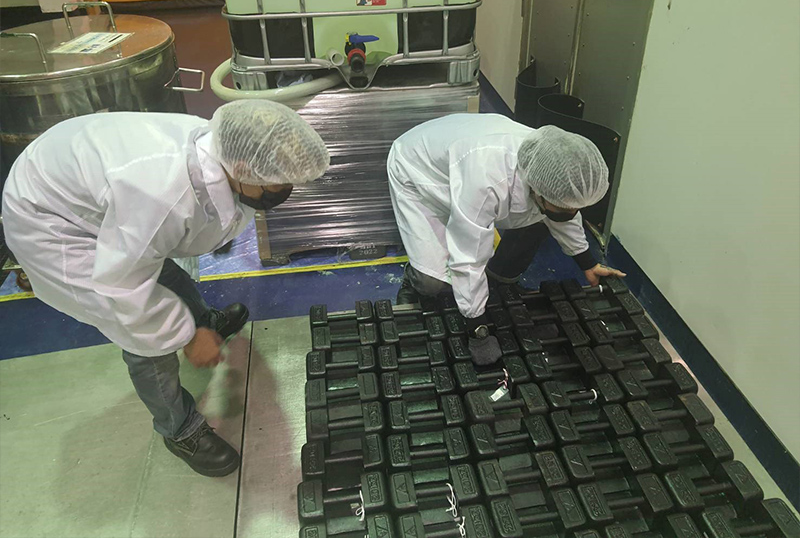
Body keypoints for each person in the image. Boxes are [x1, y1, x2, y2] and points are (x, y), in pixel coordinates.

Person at [1, 100, 329, 477]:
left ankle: (205, 323)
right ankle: (179, 429)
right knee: (144, 334)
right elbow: (124, 286)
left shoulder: (223, 144)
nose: (284, 189)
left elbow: (157, 242)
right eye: (277, 182)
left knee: (163, 272)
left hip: (72, 179)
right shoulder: (162, 195)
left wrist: (195, 325)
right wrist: (185, 338)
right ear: (242, 169)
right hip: (51, 221)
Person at [387, 114, 625, 365]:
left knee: (542, 219)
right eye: (559, 206)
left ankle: (500, 281)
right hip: (421, 173)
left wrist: (587, 263)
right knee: (433, 283)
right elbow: (469, 257)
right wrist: (477, 328)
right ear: (538, 189)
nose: (569, 213)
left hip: (466, 160)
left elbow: (565, 213)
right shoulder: (487, 180)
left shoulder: (549, 168)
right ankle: (413, 280)